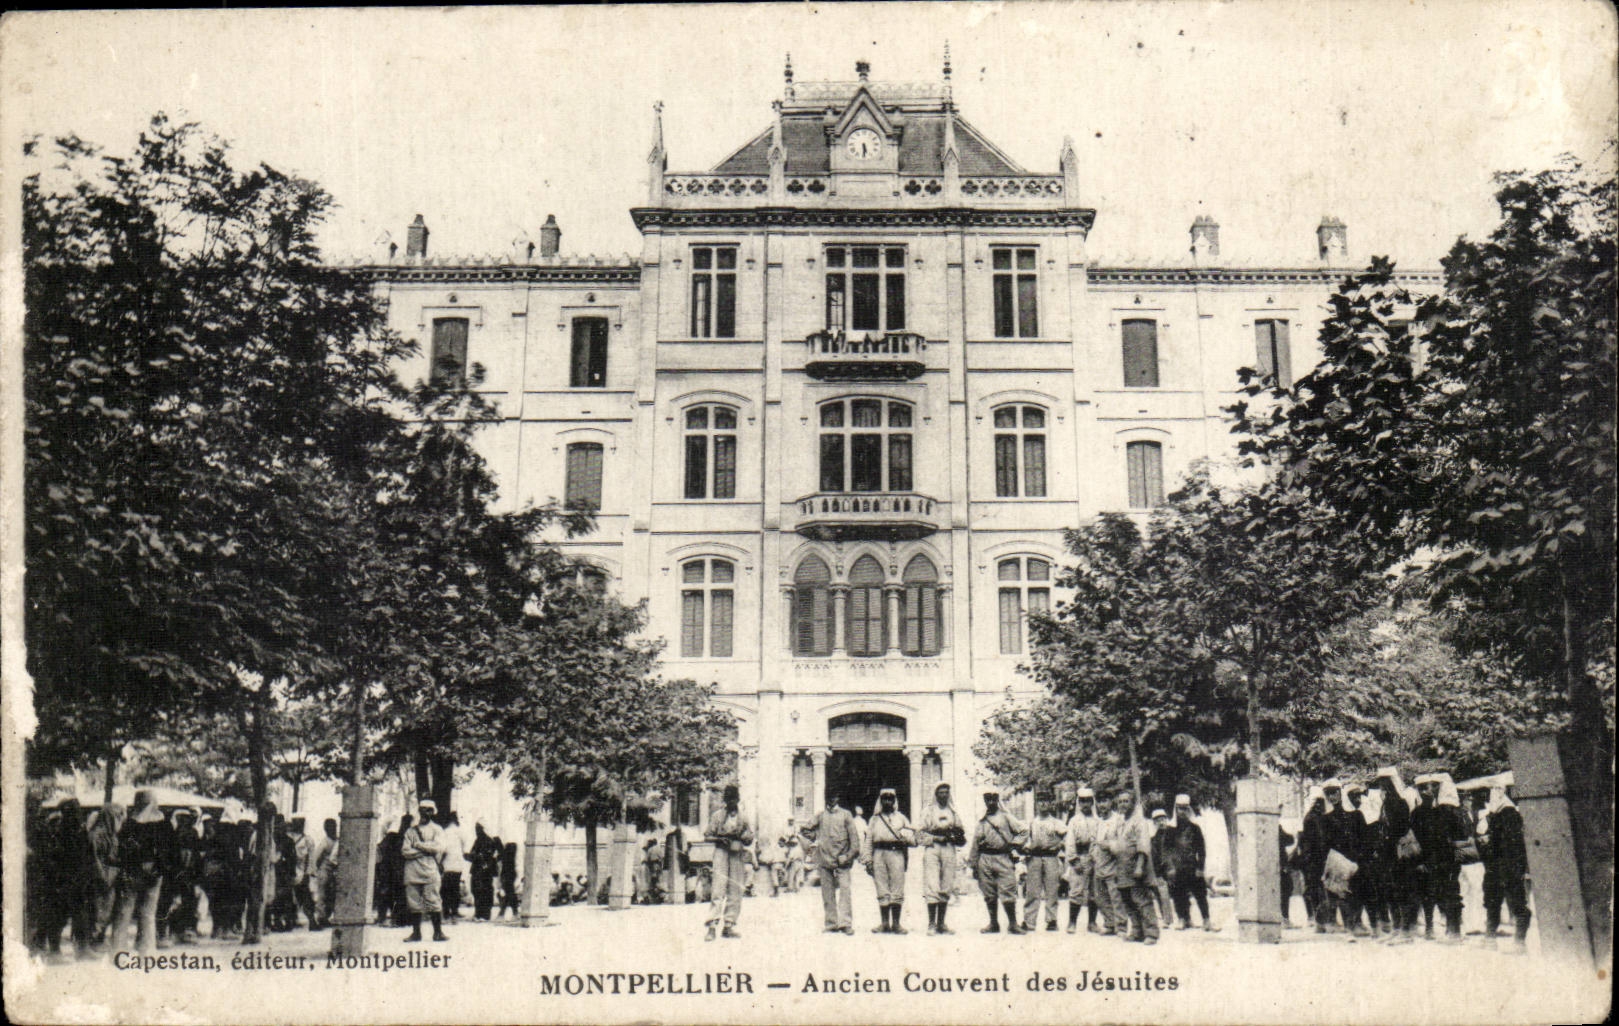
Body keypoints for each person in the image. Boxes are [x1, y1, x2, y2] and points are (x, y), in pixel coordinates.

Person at [108, 790, 175, 955]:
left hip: (132, 870)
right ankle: (146, 948)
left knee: (124, 910)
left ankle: (118, 948)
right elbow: (170, 851)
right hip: (154, 872)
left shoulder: (129, 824)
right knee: (148, 912)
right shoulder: (164, 825)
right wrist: (159, 868)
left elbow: (123, 847)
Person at [1411, 771, 1468, 942]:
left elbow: (1460, 835)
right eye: (1422, 788)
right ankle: (1430, 928)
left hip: (1447, 860)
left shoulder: (1448, 810)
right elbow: (1416, 840)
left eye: (1431, 787)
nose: (1427, 791)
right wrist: (1419, 861)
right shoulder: (1417, 813)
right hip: (1428, 860)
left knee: (1451, 892)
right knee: (1428, 894)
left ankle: (1454, 930)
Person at [1478, 784, 1530, 952]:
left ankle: (1519, 943)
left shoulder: (1508, 814)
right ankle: (1491, 938)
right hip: (1499, 865)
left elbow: (1509, 842)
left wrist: (1489, 842)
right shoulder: (1498, 813)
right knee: (1493, 901)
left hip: (1507, 865)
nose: (1491, 796)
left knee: (1515, 902)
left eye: (1495, 791)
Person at [968, 791, 1027, 935]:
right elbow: (975, 843)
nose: (991, 802)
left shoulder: (1006, 817)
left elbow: (1023, 831)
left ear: (997, 800)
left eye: (993, 799)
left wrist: (1015, 844)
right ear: (985, 801)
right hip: (985, 858)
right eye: (988, 800)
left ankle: (1013, 924)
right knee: (989, 892)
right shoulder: (982, 820)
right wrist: (974, 864)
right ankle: (993, 923)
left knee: (1008, 889)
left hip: (1003, 857)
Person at [1373, 767, 1420, 944]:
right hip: (1388, 853)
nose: (1382, 787)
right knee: (1391, 891)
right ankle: (1397, 927)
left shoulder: (1399, 803)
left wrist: (1387, 838)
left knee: (1401, 891)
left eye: (1385, 784)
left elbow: (1400, 828)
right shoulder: (1386, 804)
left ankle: (1405, 931)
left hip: (1397, 854)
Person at [800, 793, 858, 934]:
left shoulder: (846, 815)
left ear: (838, 798)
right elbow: (805, 829)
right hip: (825, 859)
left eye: (835, 797)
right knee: (827, 893)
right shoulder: (820, 816)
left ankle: (845, 924)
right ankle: (831, 924)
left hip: (842, 861)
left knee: (845, 892)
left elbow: (855, 841)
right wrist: (815, 836)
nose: (832, 799)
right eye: (829, 797)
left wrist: (848, 856)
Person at [861, 787, 916, 934]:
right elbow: (868, 841)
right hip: (879, 854)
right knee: (881, 886)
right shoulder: (874, 820)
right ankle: (884, 923)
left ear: (894, 801)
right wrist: (868, 860)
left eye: (890, 799)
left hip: (896, 853)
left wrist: (906, 837)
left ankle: (896, 924)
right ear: (880, 801)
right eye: (884, 799)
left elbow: (913, 839)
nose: (887, 802)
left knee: (897, 886)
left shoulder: (901, 818)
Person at [703, 784, 754, 941]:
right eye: (728, 800)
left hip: (736, 852)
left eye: (734, 799)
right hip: (721, 851)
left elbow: (750, 837)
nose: (731, 802)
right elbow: (707, 836)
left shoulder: (743, 817)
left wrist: (745, 837)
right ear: (725, 801)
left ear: (738, 800)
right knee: (718, 887)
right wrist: (719, 839)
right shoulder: (717, 816)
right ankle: (712, 926)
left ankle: (729, 925)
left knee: (735, 888)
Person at [916, 782, 966, 936]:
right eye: (941, 792)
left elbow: (961, 830)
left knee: (946, 883)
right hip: (933, 848)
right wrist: (936, 838)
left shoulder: (953, 811)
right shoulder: (928, 811)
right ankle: (931, 923)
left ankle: (941, 923)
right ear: (936, 794)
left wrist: (955, 835)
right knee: (932, 883)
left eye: (946, 792)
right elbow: (919, 834)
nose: (944, 795)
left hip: (949, 848)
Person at [1321, 780, 1367, 936]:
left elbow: (1364, 837)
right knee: (1342, 893)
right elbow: (1326, 843)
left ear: (1341, 793)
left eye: (1334, 792)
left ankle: (1357, 922)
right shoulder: (1326, 818)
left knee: (1358, 891)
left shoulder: (1356, 815)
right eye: (1328, 794)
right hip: (1339, 860)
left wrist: (1361, 857)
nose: (1332, 797)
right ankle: (1349, 926)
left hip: (1356, 858)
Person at [1112, 791, 1160, 944]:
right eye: (1120, 801)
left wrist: (1139, 867)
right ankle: (1137, 930)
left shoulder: (1139, 822)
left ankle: (1151, 933)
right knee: (1128, 901)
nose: (1123, 804)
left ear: (1132, 803)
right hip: (1123, 867)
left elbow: (1143, 845)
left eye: (1126, 801)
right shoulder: (1121, 823)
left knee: (1141, 900)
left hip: (1136, 867)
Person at [400, 799, 448, 942]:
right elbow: (405, 851)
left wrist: (418, 845)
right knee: (413, 902)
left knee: (433, 900)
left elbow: (438, 847)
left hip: (429, 870)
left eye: (428, 810)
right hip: (412, 870)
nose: (425, 812)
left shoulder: (437, 829)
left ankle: (438, 932)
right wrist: (425, 849)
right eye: (422, 809)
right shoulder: (410, 831)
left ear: (433, 812)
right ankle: (416, 933)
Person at [1164, 794, 1213, 930]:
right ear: (1176, 809)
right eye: (1180, 808)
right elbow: (1166, 850)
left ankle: (1206, 920)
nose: (1182, 812)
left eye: (1185, 809)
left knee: (1200, 893)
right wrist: (1170, 867)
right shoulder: (1170, 830)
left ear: (1188, 810)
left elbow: (1201, 849)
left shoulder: (1195, 828)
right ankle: (1183, 919)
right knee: (1179, 894)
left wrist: (1200, 868)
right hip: (1177, 868)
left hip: (1192, 867)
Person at [1022, 797, 1067, 932]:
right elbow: (1025, 840)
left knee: (1052, 890)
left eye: (1046, 801)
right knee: (1032, 890)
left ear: (1050, 803)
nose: (1043, 804)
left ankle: (1052, 920)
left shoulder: (1056, 823)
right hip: (1035, 857)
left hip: (1051, 857)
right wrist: (1026, 849)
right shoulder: (1032, 823)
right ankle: (1029, 921)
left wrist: (1059, 844)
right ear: (1036, 804)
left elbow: (1066, 837)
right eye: (1040, 801)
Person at [1063, 788, 1102, 934]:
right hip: (1080, 857)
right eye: (1082, 801)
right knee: (1076, 890)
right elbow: (1070, 842)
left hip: (1095, 858)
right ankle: (1072, 922)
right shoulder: (1074, 821)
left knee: (1094, 891)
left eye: (1088, 801)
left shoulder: (1098, 820)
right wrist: (1074, 860)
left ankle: (1092, 922)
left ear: (1092, 802)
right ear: (1078, 803)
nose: (1085, 804)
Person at [86, 802, 125, 949]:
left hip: (111, 877)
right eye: (117, 816)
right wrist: (103, 877)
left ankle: (99, 939)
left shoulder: (112, 834)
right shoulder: (96, 834)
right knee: (98, 911)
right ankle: (93, 941)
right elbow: (94, 858)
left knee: (108, 911)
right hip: (101, 878)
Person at [1093, 793, 1130, 936]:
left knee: (1116, 897)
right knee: (1100, 897)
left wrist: (1109, 845)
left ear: (1111, 802)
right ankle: (1109, 923)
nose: (1102, 805)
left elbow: (1123, 841)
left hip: (1114, 864)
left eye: (1105, 801)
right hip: (1099, 863)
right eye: (1099, 802)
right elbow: (1094, 841)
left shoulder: (1118, 820)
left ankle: (1121, 926)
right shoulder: (1098, 821)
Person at [1298, 786, 1330, 930]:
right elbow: (1317, 840)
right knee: (1317, 890)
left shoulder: (1311, 817)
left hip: (1312, 859)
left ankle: (1320, 921)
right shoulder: (1315, 818)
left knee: (1315, 889)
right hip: (1315, 859)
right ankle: (1320, 921)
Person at [288, 817, 322, 931]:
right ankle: (290, 920)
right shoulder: (288, 838)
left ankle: (312, 921)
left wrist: (308, 874)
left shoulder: (308, 840)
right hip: (288, 871)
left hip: (301, 873)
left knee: (304, 897)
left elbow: (311, 859)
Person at [1146, 808, 1176, 929]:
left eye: (1163, 819)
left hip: (1176, 868)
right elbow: (1154, 856)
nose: (1161, 822)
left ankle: (1185, 918)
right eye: (1158, 820)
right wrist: (1157, 872)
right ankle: (1166, 919)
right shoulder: (1153, 839)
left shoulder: (1174, 833)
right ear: (1154, 822)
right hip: (1162, 871)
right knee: (1162, 894)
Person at [469, 822, 501, 920]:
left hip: (486, 870)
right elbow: (472, 852)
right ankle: (478, 913)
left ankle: (485, 914)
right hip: (477, 869)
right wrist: (474, 856)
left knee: (485, 891)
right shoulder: (478, 840)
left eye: (478, 829)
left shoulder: (490, 840)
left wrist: (492, 861)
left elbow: (499, 853)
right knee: (476, 890)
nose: (477, 831)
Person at [438, 810, 467, 921]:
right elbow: (464, 846)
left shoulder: (445, 832)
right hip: (458, 863)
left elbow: (443, 849)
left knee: (446, 889)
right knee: (455, 888)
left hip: (447, 864)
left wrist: (440, 862)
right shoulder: (460, 831)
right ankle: (455, 911)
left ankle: (446, 911)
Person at [313, 818, 340, 928]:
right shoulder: (324, 842)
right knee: (322, 894)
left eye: (334, 826)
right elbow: (316, 857)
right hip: (324, 870)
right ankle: (321, 917)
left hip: (334, 870)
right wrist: (318, 870)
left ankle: (327, 916)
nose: (332, 829)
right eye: (330, 827)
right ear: (326, 829)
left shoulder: (337, 840)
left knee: (331, 895)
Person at [498, 841, 521, 918]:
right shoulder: (511, 858)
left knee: (509, 894)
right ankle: (514, 913)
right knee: (510, 893)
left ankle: (503, 913)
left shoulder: (507, 858)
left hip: (507, 874)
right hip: (509, 873)